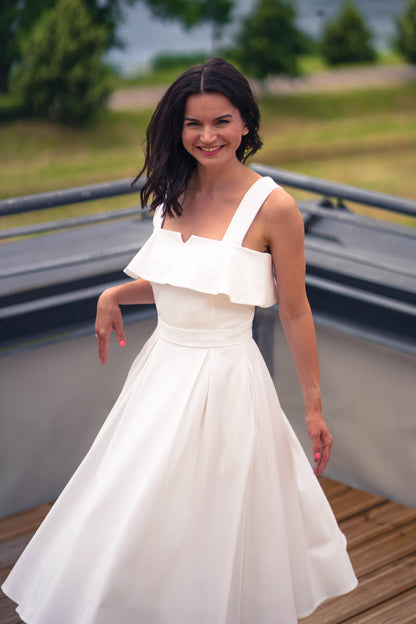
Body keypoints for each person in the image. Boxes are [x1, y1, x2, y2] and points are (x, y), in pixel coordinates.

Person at [2, 57, 357, 623]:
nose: (207, 135)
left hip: (226, 381)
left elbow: (294, 310)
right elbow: (186, 284)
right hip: (162, 373)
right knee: (138, 510)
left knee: (213, 520)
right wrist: (116, 294)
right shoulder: (171, 190)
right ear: (178, 127)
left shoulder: (275, 208)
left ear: (246, 124)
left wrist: (313, 406)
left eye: (221, 121)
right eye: (194, 123)